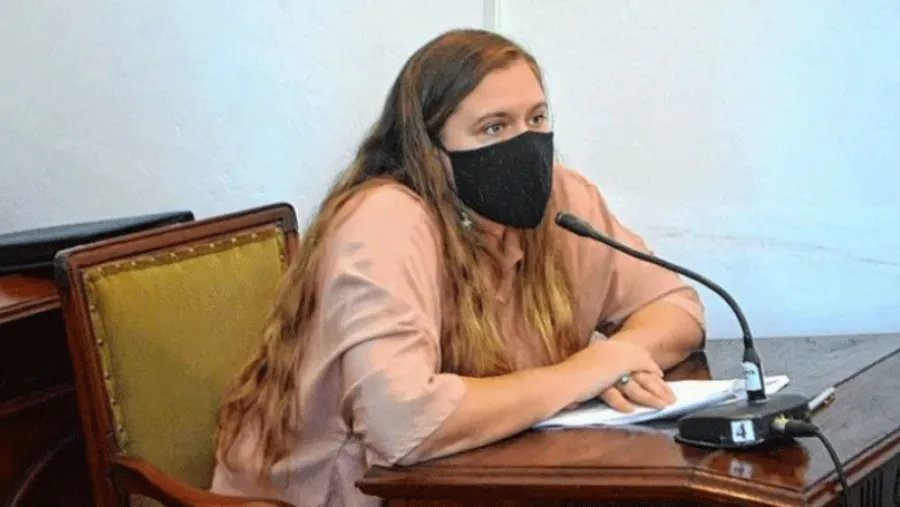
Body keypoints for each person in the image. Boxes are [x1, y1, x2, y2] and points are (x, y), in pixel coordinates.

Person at [211, 28, 705, 507]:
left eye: (536, 119)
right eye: (494, 127)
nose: (524, 144)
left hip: (487, 480)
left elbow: (676, 307)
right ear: (430, 152)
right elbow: (403, 425)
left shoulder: (562, 198)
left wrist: (619, 357)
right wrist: (587, 372)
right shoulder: (384, 220)